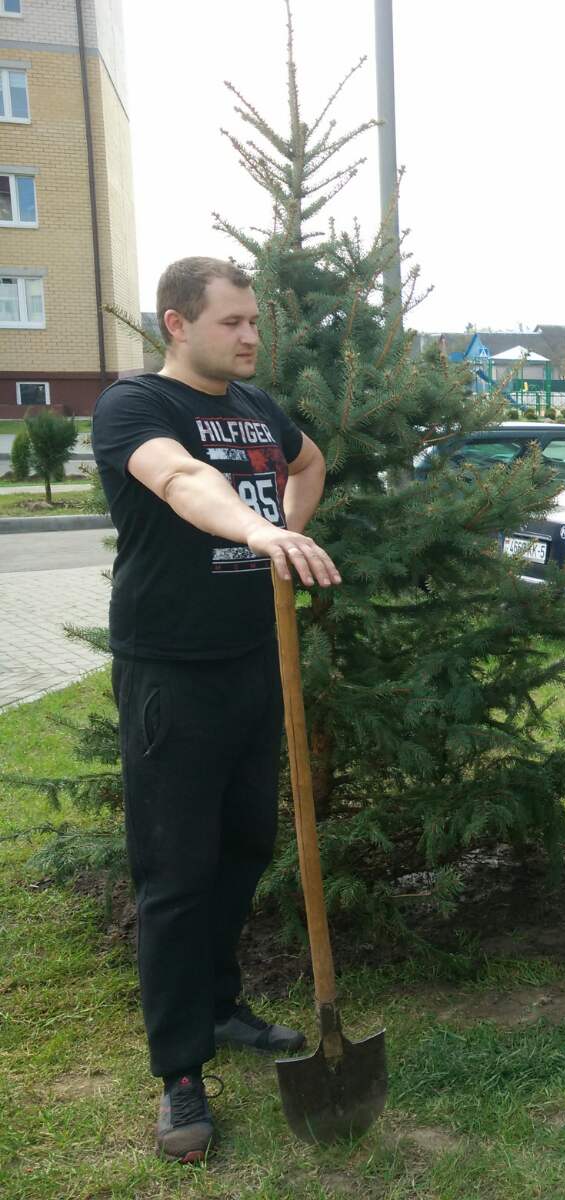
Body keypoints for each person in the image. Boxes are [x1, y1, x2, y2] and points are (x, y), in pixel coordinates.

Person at [91, 256, 341, 1164]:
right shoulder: (135, 407)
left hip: (253, 664)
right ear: (175, 324)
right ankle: (179, 1069)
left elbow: (307, 461)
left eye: (253, 323)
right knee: (174, 873)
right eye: (232, 322)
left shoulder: (258, 410)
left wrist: (292, 526)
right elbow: (180, 480)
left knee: (246, 847)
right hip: (171, 673)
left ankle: (221, 1003)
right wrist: (256, 527)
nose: (249, 336)